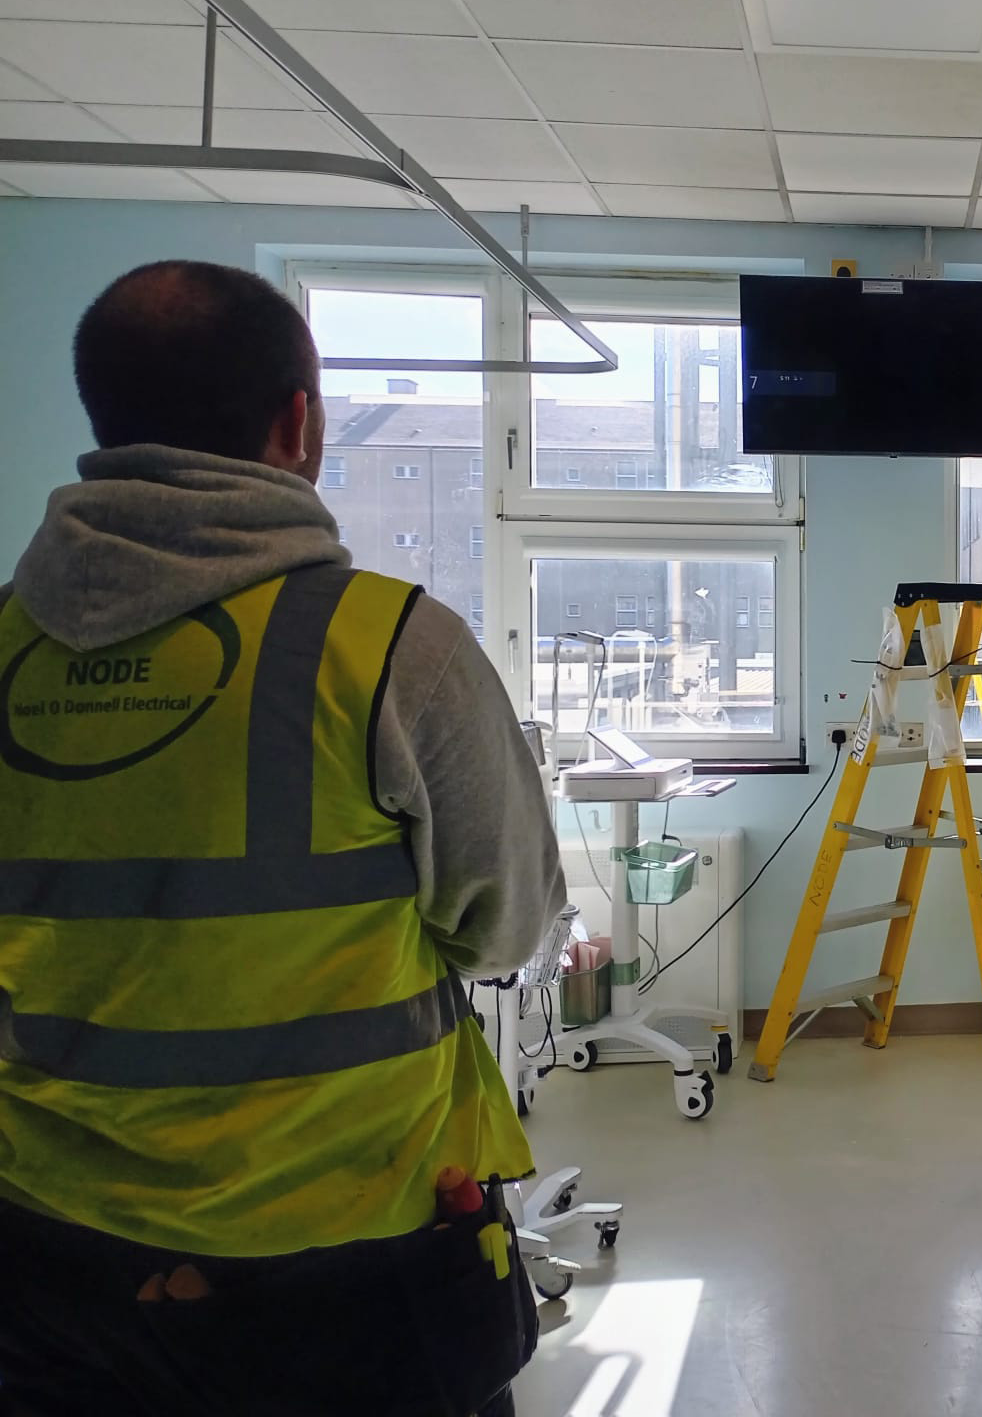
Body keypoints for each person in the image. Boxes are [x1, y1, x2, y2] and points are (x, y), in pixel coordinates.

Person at [0, 260, 566, 1416]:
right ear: (298, 423)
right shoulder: (391, 648)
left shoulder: (6, 653)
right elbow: (507, 924)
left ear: (102, 421)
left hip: (51, 1252)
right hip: (357, 1244)